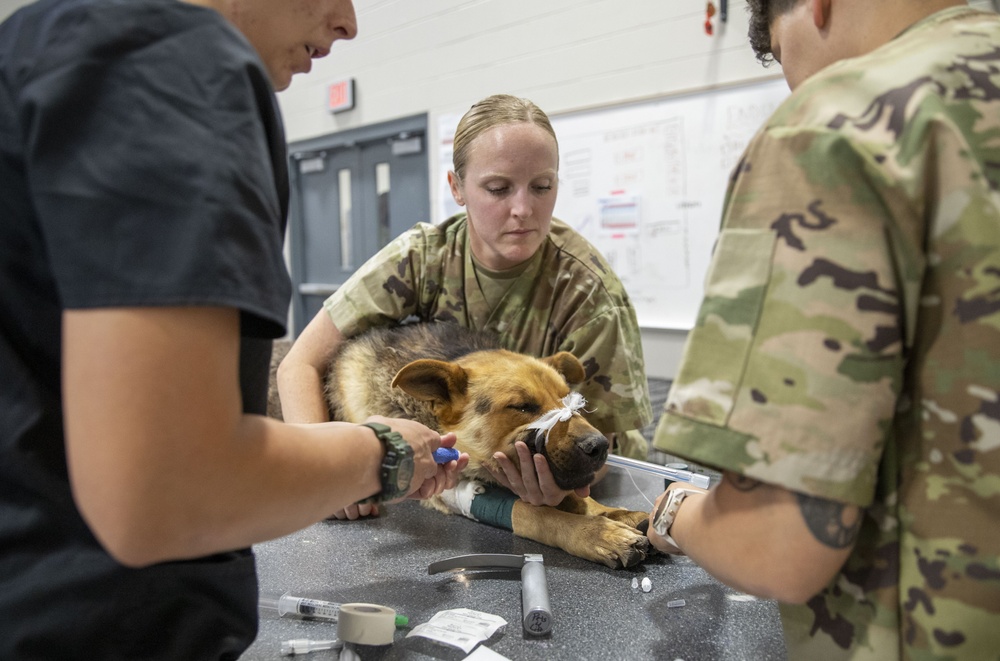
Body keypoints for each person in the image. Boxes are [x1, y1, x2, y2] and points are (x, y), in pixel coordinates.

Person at [0, 1, 468, 658]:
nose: (348, 24)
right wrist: (386, 454)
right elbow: (167, 487)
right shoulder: (175, 65)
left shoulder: (32, 45)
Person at [646, 0, 1000, 659]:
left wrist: (675, 512)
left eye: (781, 57)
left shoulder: (840, 123)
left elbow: (776, 544)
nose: (791, 84)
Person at [278, 93, 654, 518]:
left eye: (542, 187)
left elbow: (603, 443)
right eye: (498, 188)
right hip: (466, 474)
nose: (523, 209)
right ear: (457, 188)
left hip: (588, 483)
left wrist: (564, 479)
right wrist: (327, 473)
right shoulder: (420, 259)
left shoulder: (588, 295)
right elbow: (300, 365)